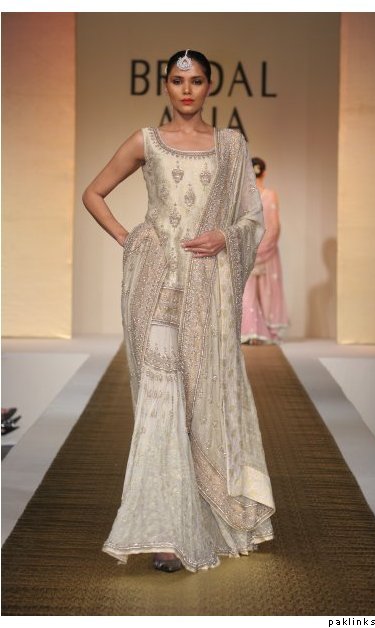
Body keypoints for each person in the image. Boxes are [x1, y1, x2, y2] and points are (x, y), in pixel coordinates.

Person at [82, 49, 275, 574]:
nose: (186, 89)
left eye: (196, 80)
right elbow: (94, 193)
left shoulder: (231, 144)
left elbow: (252, 218)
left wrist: (225, 236)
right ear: (165, 85)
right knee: (161, 401)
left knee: (198, 400)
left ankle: (204, 514)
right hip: (153, 286)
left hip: (207, 289)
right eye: (176, 80)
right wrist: (130, 239)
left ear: (209, 86)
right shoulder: (145, 140)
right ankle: (166, 532)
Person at [241, 157, 288, 344]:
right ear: (264, 172)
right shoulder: (271, 195)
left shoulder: (244, 196)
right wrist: (266, 248)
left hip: (249, 249)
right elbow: (274, 226)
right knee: (268, 290)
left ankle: (251, 331)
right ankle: (266, 331)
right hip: (268, 250)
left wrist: (251, 249)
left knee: (248, 291)